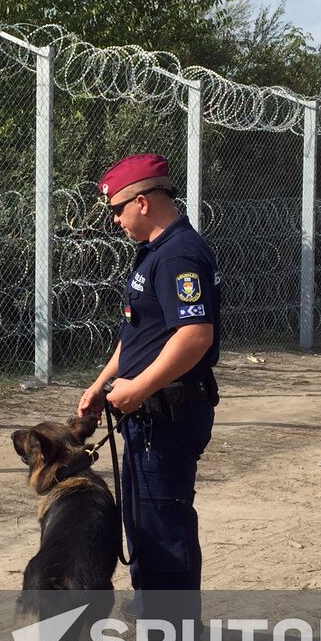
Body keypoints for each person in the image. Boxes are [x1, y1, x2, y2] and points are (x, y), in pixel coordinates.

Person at [77, 153, 221, 614]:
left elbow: (195, 336)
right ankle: (158, 624)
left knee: (162, 531)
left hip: (168, 416)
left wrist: (138, 389)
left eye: (117, 210)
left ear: (142, 202)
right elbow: (141, 334)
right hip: (149, 414)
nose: (115, 220)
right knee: (143, 524)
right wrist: (104, 383)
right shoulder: (156, 252)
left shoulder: (179, 254)